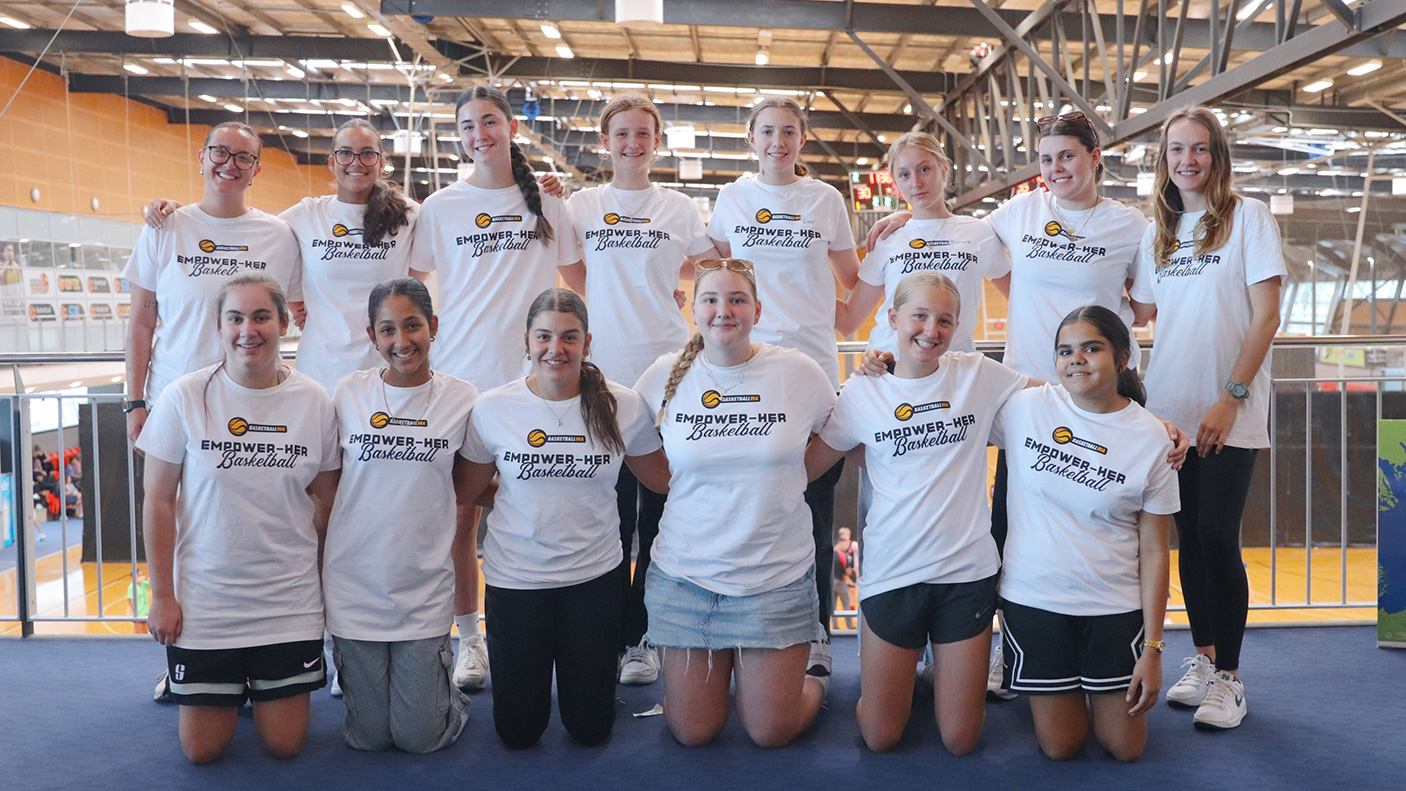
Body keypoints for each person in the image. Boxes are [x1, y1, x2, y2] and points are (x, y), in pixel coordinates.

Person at [865, 111, 1151, 693]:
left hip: (1101, 394)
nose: (1055, 169)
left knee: (1107, 522)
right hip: (1031, 396)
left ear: (1096, 157)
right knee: (1013, 521)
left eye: (1067, 156)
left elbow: (1144, 309)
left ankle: (1124, 646)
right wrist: (906, 215)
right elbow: (952, 231)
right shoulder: (1018, 213)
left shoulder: (1130, 224)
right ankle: (1009, 645)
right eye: (1046, 160)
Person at [806, 272, 1030, 754]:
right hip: (894, 572)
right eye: (920, 316)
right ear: (892, 319)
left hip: (965, 573)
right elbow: (807, 464)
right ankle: (909, 681)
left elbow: (1062, 402)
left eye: (944, 320)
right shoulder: (862, 392)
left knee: (961, 740)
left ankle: (935, 677)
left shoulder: (978, 374)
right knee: (882, 737)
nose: (931, 330)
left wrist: (1146, 423)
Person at [136, 274, 339, 764]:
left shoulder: (315, 401)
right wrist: (163, 596)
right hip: (208, 602)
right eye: (236, 318)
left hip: (285, 601)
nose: (249, 329)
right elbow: (158, 499)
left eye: (262, 316)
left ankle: (251, 687)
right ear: (219, 327)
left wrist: (316, 584)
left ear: (284, 322)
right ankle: (226, 687)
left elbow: (327, 502)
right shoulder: (185, 396)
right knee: (202, 751)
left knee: (284, 745)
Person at [634, 259, 835, 748]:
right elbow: (640, 451)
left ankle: (814, 678)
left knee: (770, 732)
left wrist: (792, 477)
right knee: (694, 731)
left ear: (757, 310)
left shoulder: (797, 371)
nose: (724, 310)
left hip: (775, 580)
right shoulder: (661, 376)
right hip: (686, 580)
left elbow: (843, 433)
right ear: (694, 312)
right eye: (711, 300)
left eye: (737, 299)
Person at [456, 288, 668, 748]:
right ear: (528, 343)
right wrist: (518, 491)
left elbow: (663, 482)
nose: (557, 349)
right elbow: (467, 490)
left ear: (587, 343)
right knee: (518, 732)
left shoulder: (621, 405)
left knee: (590, 730)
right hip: (516, 583)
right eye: (545, 337)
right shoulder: (494, 408)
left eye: (570, 337)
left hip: (594, 582)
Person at [1129, 106, 1285, 731]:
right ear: (1163, 161)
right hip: (1169, 411)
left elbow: (1266, 316)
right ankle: (1204, 659)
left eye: (1199, 149)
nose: (1187, 160)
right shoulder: (1157, 232)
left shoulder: (1249, 218)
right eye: (1175, 150)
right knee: (1187, 542)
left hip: (1227, 410)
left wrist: (1232, 395)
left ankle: (1233, 679)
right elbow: (1137, 309)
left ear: (1217, 157)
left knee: (1218, 538)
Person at [564, 94, 719, 685]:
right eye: (622, 134)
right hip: (599, 373)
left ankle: (643, 637)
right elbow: (576, 273)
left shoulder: (677, 208)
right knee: (603, 511)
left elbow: (717, 265)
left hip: (665, 373)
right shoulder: (582, 204)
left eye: (643, 135)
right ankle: (598, 634)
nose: (633, 144)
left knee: (657, 513)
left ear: (657, 142)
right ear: (606, 141)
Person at [991, 305, 1178, 761]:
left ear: (1122, 356)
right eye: (1065, 351)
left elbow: (1155, 551)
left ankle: (1097, 686)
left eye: (1091, 348)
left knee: (1125, 749)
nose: (1076, 359)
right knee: (1061, 746)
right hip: (1036, 603)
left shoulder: (1154, 439)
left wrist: (1152, 650)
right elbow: (944, 385)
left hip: (1114, 608)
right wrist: (884, 364)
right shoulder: (1022, 409)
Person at [705, 97, 861, 637]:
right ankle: (736, 631)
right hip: (742, 372)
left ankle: (814, 637)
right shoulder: (732, 197)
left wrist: (889, 244)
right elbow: (717, 274)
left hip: (811, 373)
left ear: (802, 139)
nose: (778, 141)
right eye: (767, 131)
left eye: (789, 131)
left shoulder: (825, 199)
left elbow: (854, 283)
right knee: (744, 510)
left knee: (813, 514)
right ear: (751, 139)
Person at [143, 118, 420, 395]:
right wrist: (182, 216)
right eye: (345, 153)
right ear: (332, 163)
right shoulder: (307, 214)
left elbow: (417, 279)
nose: (356, 162)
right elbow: (245, 230)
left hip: (385, 367)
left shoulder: (408, 215)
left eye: (367, 154)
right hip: (321, 371)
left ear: (381, 163)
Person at [319, 277, 478, 752]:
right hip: (355, 587)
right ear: (371, 336)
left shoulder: (463, 399)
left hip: (422, 590)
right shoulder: (348, 394)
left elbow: (470, 486)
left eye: (413, 327)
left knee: (418, 738)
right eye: (387, 330)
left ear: (433, 326)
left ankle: (446, 698)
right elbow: (325, 489)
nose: (401, 341)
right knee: (367, 739)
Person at [123, 121, 301, 442]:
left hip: (254, 399)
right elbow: (140, 322)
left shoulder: (280, 236)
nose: (230, 164)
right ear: (202, 158)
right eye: (220, 152)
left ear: (256, 171)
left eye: (243, 157)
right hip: (173, 397)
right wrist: (135, 402)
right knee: (166, 493)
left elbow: (303, 311)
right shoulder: (164, 228)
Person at [835, 132, 1010, 356]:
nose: (915, 183)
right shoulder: (888, 238)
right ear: (895, 182)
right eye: (904, 174)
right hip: (889, 369)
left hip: (953, 369)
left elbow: (1022, 296)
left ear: (944, 169)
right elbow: (848, 321)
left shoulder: (979, 233)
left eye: (924, 169)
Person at [832, 527, 858, 631]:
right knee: (846, 602)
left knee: (833, 604)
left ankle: (835, 626)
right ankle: (849, 625)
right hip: (841, 580)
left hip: (832, 581)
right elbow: (848, 570)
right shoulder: (843, 555)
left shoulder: (830, 553)